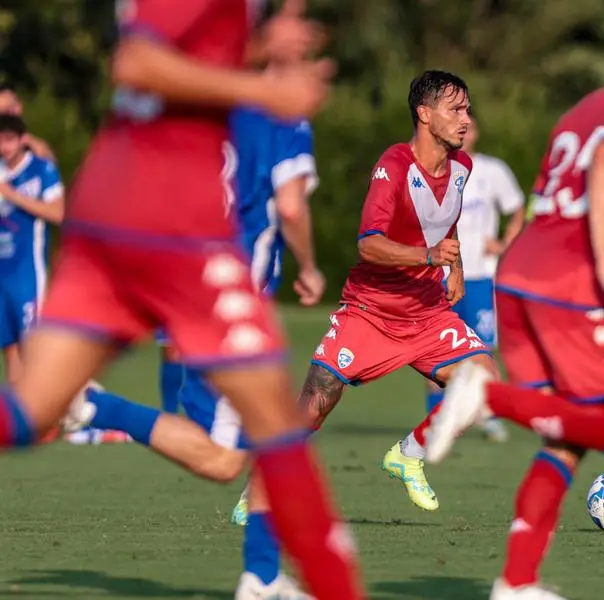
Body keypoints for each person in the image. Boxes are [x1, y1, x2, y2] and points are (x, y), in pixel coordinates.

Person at [0, 2, 363, 599]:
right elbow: (138, 62)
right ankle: (272, 580)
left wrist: (254, 50)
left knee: (30, 411)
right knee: (277, 432)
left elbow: (167, 62)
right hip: (174, 225)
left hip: (114, 206)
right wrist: (264, 88)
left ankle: (262, 577)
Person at [425, 2, 604, 598]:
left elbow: (557, 197)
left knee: (570, 434)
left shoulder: (590, 102)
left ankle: (517, 581)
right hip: (571, 285)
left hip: (522, 272)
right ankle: (488, 395)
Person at [66, 108, 323, 599]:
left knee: (259, 446)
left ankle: (262, 576)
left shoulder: (192, 111)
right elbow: (290, 206)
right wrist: (308, 266)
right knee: (252, 450)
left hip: (199, 296)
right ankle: (261, 578)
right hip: (232, 306)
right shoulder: (281, 117)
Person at [299, 70, 496, 513]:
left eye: (467, 109)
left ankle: (408, 456)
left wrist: (455, 264)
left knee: (483, 384)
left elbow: (446, 221)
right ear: (425, 115)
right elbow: (369, 244)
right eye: (456, 110)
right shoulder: (394, 166)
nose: (466, 119)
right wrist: (429, 257)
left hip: (427, 313)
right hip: (371, 310)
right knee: (313, 405)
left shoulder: (463, 166)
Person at [424, 112, 525, 443]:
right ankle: (436, 416)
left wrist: (507, 244)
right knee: (434, 349)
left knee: (482, 347)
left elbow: (516, 207)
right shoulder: (431, 167)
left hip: (480, 275)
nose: (464, 132)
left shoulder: (492, 171)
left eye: (469, 126)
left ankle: (487, 413)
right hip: (438, 276)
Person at [0, 114, 65, 383]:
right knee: (10, 349)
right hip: (3, 272)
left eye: (10, 140)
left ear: (23, 140)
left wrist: (12, 194)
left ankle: (46, 418)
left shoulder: (41, 169)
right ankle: (19, 420)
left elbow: (58, 213)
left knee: (34, 349)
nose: (4, 146)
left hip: (28, 272)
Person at [0, 84, 57, 161]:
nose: (8, 117)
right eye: (2, 112)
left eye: (10, 109)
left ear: (19, 107)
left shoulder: (37, 150)